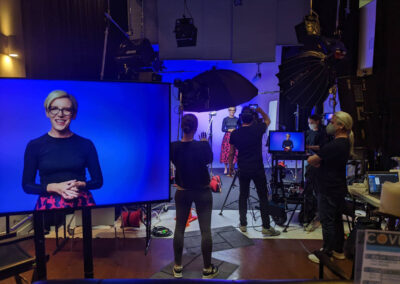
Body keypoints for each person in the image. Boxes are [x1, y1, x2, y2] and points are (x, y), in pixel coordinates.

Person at [22, 90, 103, 210]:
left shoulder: (86, 144)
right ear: (47, 112)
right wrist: (54, 187)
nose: (60, 114)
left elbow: (98, 181)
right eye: (54, 108)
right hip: (48, 209)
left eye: (66, 109)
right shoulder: (34, 145)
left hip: (82, 206)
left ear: (74, 114)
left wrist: (81, 184)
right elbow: (27, 186)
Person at [170, 114, 218, 279]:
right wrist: (206, 143)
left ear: (182, 127)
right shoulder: (201, 145)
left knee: (179, 229)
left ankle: (177, 267)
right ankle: (207, 269)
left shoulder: (173, 147)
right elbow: (209, 159)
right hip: (203, 192)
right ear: (196, 128)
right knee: (206, 231)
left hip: (182, 192)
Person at [307, 111, 354, 263]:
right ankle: (338, 250)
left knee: (327, 221)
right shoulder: (345, 143)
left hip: (328, 188)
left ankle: (326, 254)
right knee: (336, 220)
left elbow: (312, 160)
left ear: (341, 126)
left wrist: (314, 160)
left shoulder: (334, 145)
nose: (330, 125)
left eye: (333, 122)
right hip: (337, 187)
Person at [229, 106, 280, 236]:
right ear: (253, 118)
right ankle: (266, 227)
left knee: (243, 195)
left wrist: (230, 168)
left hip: (243, 168)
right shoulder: (258, 129)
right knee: (263, 196)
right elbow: (268, 120)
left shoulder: (235, 133)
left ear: (240, 118)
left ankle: (243, 224)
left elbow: (231, 153)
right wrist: (260, 111)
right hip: (257, 168)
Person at [301, 114, 328, 227]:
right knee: (307, 186)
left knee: (316, 188)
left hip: (317, 162)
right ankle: (308, 211)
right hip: (307, 160)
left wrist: (309, 147)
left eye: (311, 122)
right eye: (308, 122)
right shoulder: (307, 132)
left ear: (317, 122)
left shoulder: (322, 134)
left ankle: (317, 213)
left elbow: (322, 147)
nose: (310, 124)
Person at [220, 107, 239, 175]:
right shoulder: (225, 119)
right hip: (227, 137)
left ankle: (232, 168)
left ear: (235, 111)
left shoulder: (237, 119)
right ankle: (225, 168)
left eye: (233, 110)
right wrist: (228, 130)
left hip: (235, 136)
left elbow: (239, 128)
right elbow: (222, 129)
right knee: (226, 152)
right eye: (230, 110)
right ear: (228, 111)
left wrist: (235, 130)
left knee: (235, 152)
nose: (232, 111)